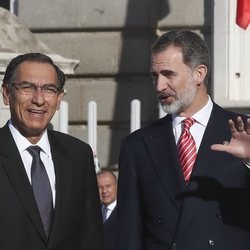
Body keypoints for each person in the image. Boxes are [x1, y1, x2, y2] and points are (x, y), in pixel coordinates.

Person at [116, 30, 250, 250]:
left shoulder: (242, 130)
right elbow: (129, 232)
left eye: (169, 74)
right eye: (154, 76)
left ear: (199, 74)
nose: (159, 86)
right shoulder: (137, 146)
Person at [0, 52, 103, 250]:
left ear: (59, 98)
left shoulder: (78, 155)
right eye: (27, 87)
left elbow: (91, 237)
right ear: (7, 94)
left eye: (48, 89)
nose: (39, 99)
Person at [97, 170, 117, 250]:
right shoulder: (92, 213)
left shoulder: (127, 213)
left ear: (116, 186)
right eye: (100, 187)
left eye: (108, 186)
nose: (104, 191)